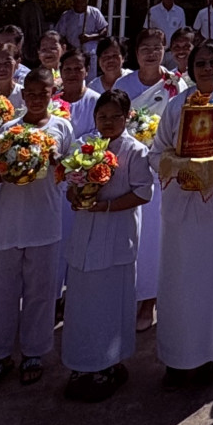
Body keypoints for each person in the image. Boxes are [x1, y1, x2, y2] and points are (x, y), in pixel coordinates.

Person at [148, 40, 213, 388]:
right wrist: (180, 169)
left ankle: (210, 354)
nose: (207, 69)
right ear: (191, 68)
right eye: (200, 63)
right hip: (181, 206)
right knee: (178, 283)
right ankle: (178, 358)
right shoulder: (177, 104)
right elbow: (157, 151)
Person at [0, 72, 76, 389]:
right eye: (30, 93)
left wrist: (55, 159)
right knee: (2, 294)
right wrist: (6, 169)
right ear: (23, 95)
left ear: (52, 93)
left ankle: (34, 352)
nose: (36, 99)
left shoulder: (62, 127)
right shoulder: (9, 129)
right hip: (9, 223)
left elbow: (68, 170)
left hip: (45, 221)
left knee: (41, 293)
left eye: (42, 93)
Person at [62, 90, 154, 401]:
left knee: (110, 303)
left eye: (116, 116)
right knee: (81, 303)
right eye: (103, 117)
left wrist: (106, 207)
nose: (109, 122)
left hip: (116, 234)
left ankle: (108, 364)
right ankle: (81, 363)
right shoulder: (84, 146)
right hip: (85, 235)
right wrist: (77, 197)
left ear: (127, 117)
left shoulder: (136, 151)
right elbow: (69, 188)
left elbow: (143, 194)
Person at [114, 27, 185, 330]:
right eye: (146, 48)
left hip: (163, 167)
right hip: (129, 166)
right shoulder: (123, 83)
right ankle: (125, 297)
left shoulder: (175, 83)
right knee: (131, 236)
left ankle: (149, 302)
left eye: (157, 47)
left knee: (156, 237)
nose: (152, 53)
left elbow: (184, 121)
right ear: (136, 52)